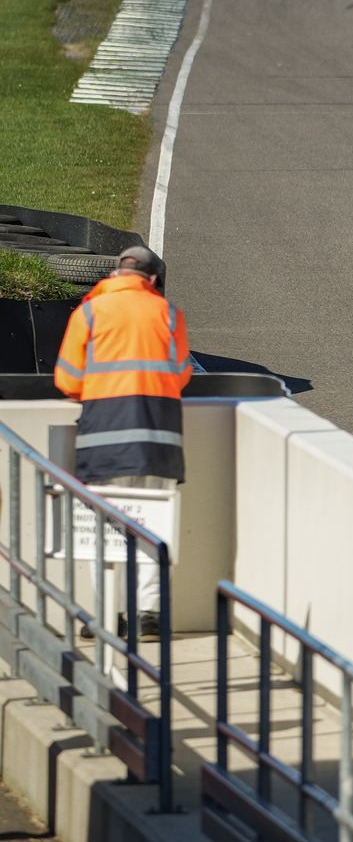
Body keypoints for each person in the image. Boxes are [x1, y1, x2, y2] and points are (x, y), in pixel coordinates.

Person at [53, 245, 192, 637]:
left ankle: (104, 614)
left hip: (105, 440)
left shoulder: (90, 312)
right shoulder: (168, 315)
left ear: (118, 274)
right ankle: (148, 613)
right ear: (152, 280)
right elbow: (181, 375)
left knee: (102, 526)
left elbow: (67, 380)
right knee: (154, 525)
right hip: (160, 442)